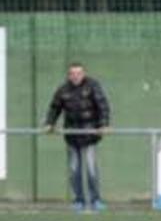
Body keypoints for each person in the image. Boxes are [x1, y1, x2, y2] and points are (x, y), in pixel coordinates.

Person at [43, 62, 111, 212]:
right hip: (72, 135)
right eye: (72, 73)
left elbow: (102, 105)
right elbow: (54, 107)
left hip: (90, 134)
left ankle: (96, 199)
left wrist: (104, 124)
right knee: (74, 170)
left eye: (78, 73)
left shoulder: (92, 86)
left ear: (83, 73)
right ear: (69, 75)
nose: (75, 76)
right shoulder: (63, 90)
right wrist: (49, 123)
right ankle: (79, 200)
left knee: (91, 168)